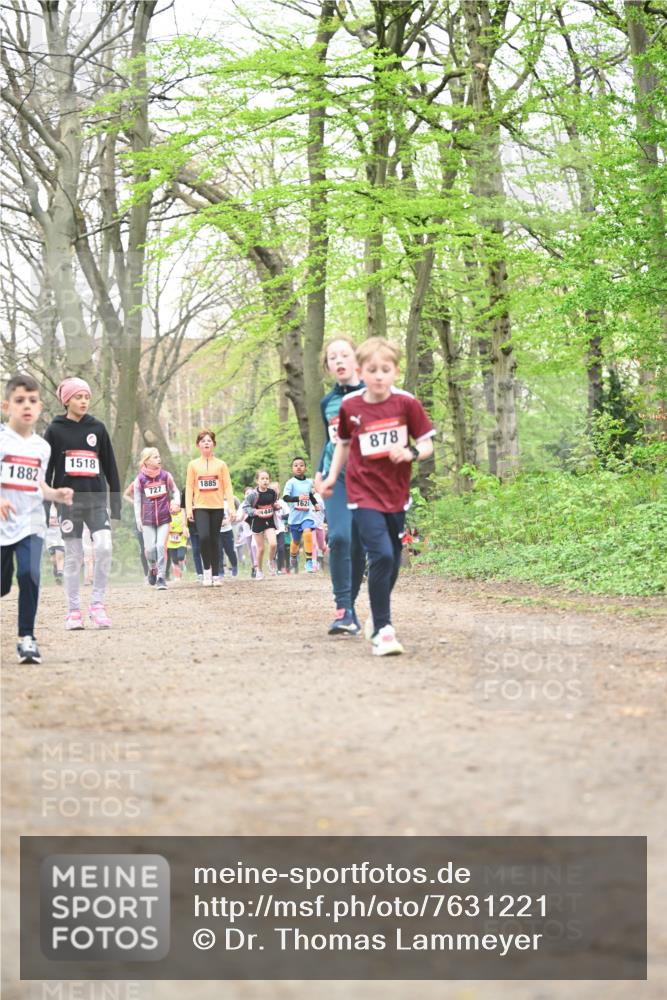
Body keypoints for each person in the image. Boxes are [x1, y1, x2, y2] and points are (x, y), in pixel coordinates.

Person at [320, 337, 435, 656]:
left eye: (386, 369)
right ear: (361, 371)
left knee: (393, 555)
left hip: (396, 493)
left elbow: (427, 443)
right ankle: (384, 628)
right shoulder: (350, 407)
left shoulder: (406, 403)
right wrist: (329, 478)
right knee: (381, 555)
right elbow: (341, 445)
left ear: (396, 371)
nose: (379, 375)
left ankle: (375, 617)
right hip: (362, 492)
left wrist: (411, 453)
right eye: (372, 370)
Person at [1, 374, 74, 663]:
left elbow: (38, 485)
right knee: (4, 585)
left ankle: (27, 638)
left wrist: (56, 494)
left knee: (29, 575)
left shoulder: (42, 448)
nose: (26, 406)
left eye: (32, 401)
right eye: (19, 401)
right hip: (2, 526)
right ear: (7, 406)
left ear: (41, 407)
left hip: (31, 522)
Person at [44, 377, 121, 629]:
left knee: (105, 547)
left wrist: (116, 504)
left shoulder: (97, 428)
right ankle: (73, 611)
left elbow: (110, 465)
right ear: (67, 401)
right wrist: (47, 507)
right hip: (68, 502)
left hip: (96, 500)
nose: (84, 401)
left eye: (87, 397)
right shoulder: (54, 430)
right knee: (73, 556)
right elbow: (45, 471)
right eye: (78, 397)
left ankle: (97, 604)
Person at [314, 337, 365, 634]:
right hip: (338, 480)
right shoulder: (327, 403)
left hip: (369, 480)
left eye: (345, 355)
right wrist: (321, 471)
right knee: (340, 538)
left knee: (358, 547)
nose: (339, 361)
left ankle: (351, 605)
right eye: (333, 357)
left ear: (357, 361)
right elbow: (330, 442)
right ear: (328, 365)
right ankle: (343, 608)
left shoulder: (374, 394)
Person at [184, 429, 236, 586]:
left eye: (209, 440)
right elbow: (189, 487)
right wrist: (188, 510)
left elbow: (228, 487)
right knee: (204, 538)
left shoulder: (221, 465)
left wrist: (232, 509)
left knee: (215, 540)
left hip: (217, 507)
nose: (206, 442)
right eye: (203, 440)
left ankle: (215, 575)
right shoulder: (193, 465)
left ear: (213, 444)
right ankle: (206, 570)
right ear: (198, 445)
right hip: (200, 507)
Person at [133, 447, 179, 591]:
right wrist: (138, 520)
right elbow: (137, 501)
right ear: (146, 460)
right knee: (150, 548)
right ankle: (152, 567)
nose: (159, 459)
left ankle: (161, 577)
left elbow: (175, 491)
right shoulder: (140, 479)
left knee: (160, 546)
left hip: (164, 517)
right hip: (147, 519)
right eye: (155, 457)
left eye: (159, 456)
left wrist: (175, 502)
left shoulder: (166, 476)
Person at [240, 470, 281, 580]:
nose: (265, 481)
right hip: (257, 522)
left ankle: (270, 561)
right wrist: (254, 512)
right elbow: (245, 507)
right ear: (257, 481)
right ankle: (259, 570)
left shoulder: (272, 493)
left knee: (273, 544)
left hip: (269, 521)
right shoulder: (253, 494)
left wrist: (276, 506)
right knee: (261, 548)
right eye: (262, 479)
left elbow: (273, 504)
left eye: (267, 478)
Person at [283, 457, 318, 573]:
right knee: (296, 541)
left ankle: (309, 561)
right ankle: (293, 555)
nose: (299, 467)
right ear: (292, 468)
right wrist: (298, 498)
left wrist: (315, 504)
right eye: (296, 465)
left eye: (301, 465)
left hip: (307, 514)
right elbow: (285, 497)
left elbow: (310, 495)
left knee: (307, 533)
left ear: (305, 468)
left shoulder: (309, 482)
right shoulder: (290, 483)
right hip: (295, 517)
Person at [166, 501, 188, 580]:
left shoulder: (182, 514)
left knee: (180, 556)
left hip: (181, 539)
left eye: (173, 505)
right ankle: (177, 576)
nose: (171, 507)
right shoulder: (167, 515)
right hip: (171, 540)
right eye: (170, 505)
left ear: (179, 507)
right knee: (174, 560)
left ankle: (183, 562)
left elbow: (186, 524)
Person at [271, 481, 289, 574]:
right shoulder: (267, 502)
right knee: (273, 548)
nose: (274, 490)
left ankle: (279, 568)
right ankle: (272, 564)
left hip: (281, 528)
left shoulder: (282, 503)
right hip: (270, 529)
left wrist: (282, 517)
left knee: (281, 548)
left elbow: (289, 515)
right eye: (272, 489)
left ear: (279, 490)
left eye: (276, 488)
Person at [218, 498, 239, 577]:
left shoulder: (228, 502)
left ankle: (234, 565)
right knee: (219, 551)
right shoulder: (213, 502)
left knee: (230, 551)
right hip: (217, 532)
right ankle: (220, 571)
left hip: (227, 530)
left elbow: (233, 514)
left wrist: (228, 520)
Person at [45, 503, 64, 583]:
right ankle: (56, 570)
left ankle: (60, 574)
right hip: (50, 537)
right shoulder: (46, 508)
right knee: (53, 559)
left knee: (60, 556)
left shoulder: (62, 508)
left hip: (59, 536)